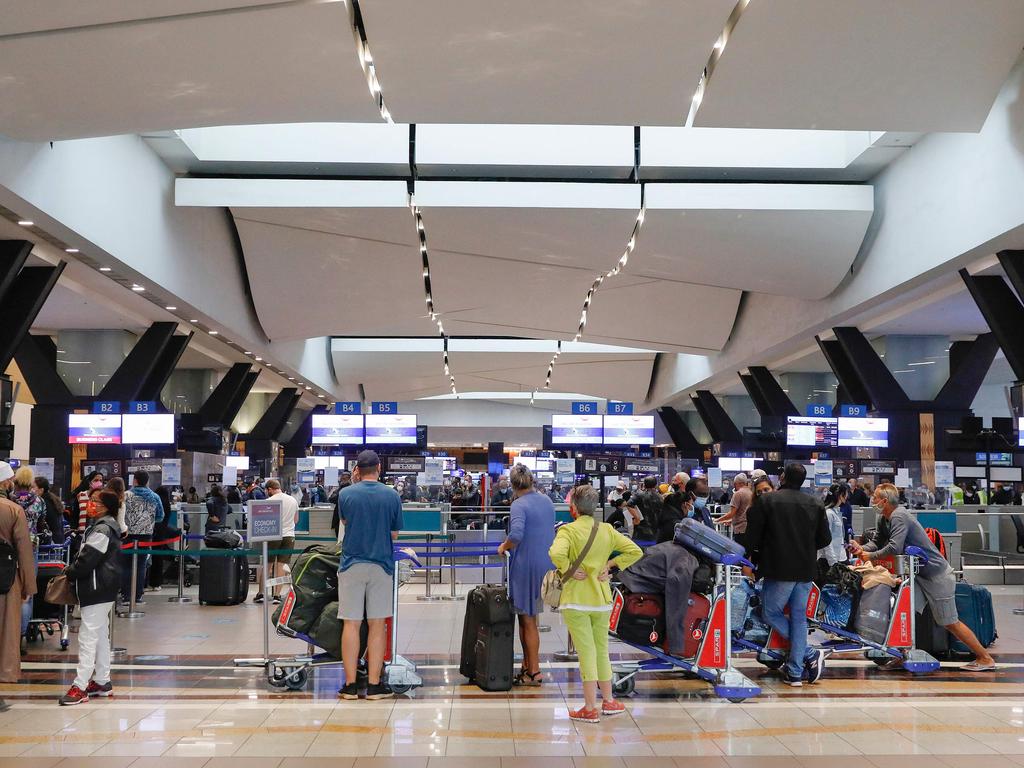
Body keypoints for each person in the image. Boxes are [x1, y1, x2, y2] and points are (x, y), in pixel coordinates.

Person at [850, 483, 996, 671]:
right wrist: (861, 549)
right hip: (919, 576)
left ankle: (984, 657)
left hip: (937, 576)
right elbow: (877, 542)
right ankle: (902, 656)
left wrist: (870, 556)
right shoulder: (884, 518)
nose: (872, 500)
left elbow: (894, 547)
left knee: (949, 622)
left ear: (884, 501)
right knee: (904, 614)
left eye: (875, 497)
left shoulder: (899, 516)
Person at [549, 485, 642, 723]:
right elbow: (634, 551)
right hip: (601, 599)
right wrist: (610, 567)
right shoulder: (607, 530)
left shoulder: (568, 531)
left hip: (576, 600)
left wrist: (569, 568)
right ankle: (609, 701)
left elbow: (555, 553)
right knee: (601, 649)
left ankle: (590, 707)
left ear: (573, 508)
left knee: (586, 652)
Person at [744, 463, 829, 687]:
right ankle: (794, 672)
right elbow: (825, 539)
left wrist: (747, 557)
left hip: (778, 567)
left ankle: (809, 653)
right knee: (799, 618)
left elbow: (752, 536)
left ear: (782, 477)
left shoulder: (767, 501)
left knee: (770, 613)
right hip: (806, 569)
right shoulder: (816, 503)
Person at [336, 451, 403, 700]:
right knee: (377, 624)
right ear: (378, 467)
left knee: (351, 623)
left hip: (352, 564)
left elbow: (345, 522)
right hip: (381, 565)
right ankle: (375, 685)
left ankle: (350, 685)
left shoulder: (345, 494)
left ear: (357, 470)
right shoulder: (392, 495)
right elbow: (395, 534)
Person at [59, 490, 122, 705]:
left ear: (106, 506)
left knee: (88, 637)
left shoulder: (103, 528)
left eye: (95, 501)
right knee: (100, 634)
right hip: (105, 585)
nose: (91, 504)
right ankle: (102, 681)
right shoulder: (107, 524)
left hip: (96, 586)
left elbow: (87, 561)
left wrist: (70, 571)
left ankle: (80, 686)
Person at [496, 464, 555, 686]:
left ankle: (535, 671)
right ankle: (527, 666)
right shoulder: (546, 501)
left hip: (526, 565)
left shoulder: (518, 505)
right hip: (546, 565)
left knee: (527, 620)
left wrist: (504, 546)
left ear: (512, 485)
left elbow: (517, 533)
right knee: (530, 617)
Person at [0, 462, 36, 697]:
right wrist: (28, 585)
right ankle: (6, 671)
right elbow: (24, 549)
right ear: (4, 482)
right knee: (9, 625)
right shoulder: (13, 509)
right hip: (6, 573)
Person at [121, 471, 163, 605]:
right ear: (147, 481)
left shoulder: (126, 495)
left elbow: (119, 514)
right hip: (146, 535)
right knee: (141, 565)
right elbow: (160, 516)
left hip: (128, 535)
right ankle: (138, 596)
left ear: (135, 480)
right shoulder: (154, 496)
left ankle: (126, 596)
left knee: (126, 565)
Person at [257, 479, 299, 605]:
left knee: (268, 564)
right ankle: (277, 595)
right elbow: (296, 520)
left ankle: (261, 594)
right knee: (281, 566)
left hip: (273, 535)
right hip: (289, 536)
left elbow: (262, 520)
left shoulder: (269, 501)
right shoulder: (293, 500)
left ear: (269, 489)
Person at [717, 473, 752, 550]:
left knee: (740, 553)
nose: (734, 486)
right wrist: (731, 521)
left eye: (735, 484)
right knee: (747, 553)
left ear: (738, 483)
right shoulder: (751, 493)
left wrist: (718, 520)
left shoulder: (738, 494)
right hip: (749, 529)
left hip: (740, 530)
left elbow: (732, 513)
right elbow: (744, 513)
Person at [818, 484, 848, 567]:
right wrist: (833, 562)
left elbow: (838, 537)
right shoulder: (829, 513)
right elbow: (827, 539)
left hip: (841, 557)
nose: (847, 496)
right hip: (830, 560)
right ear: (841, 495)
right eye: (846, 493)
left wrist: (848, 546)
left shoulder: (837, 512)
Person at [33, 476, 66, 544]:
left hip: (51, 542)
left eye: (33, 487)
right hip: (58, 539)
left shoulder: (44, 503)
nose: (31, 490)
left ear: (41, 490)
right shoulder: (52, 499)